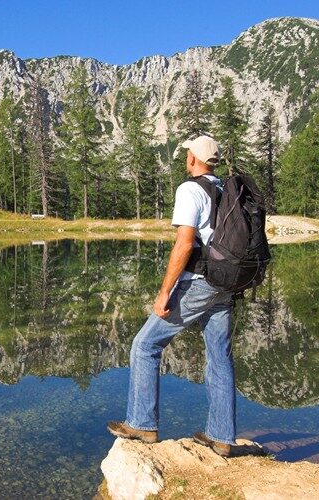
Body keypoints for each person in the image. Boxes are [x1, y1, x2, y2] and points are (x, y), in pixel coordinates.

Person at [107, 134, 236, 457]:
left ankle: (142, 423)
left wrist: (165, 292)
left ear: (193, 158)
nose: (185, 158)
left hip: (198, 283)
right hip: (226, 283)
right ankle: (221, 437)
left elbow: (184, 243)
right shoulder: (225, 190)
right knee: (219, 355)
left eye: (187, 154)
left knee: (145, 345)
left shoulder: (190, 189)